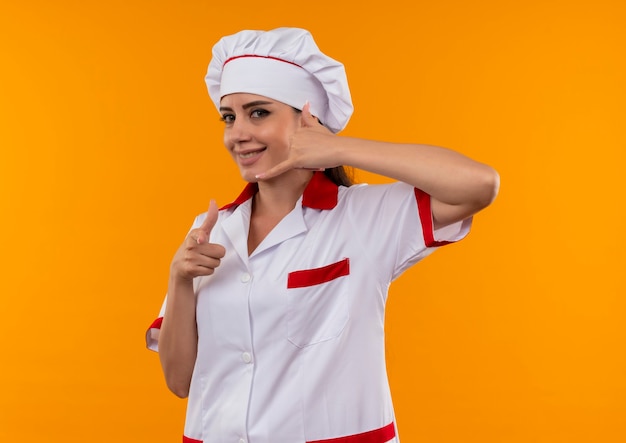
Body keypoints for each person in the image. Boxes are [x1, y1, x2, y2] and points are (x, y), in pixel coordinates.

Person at [146, 27, 499, 443]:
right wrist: (179, 278)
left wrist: (338, 148)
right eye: (229, 116)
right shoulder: (211, 230)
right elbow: (180, 381)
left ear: (307, 118)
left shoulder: (364, 218)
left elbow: (478, 183)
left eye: (258, 112)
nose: (236, 133)